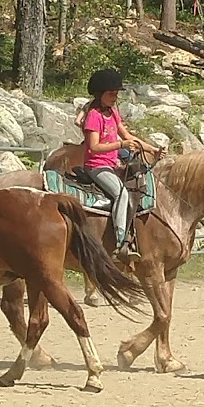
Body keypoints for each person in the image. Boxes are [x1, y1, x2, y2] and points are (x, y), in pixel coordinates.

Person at [80, 69, 164, 262]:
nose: (114, 97)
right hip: (96, 166)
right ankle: (119, 242)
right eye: (111, 94)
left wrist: (153, 150)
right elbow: (93, 147)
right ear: (100, 94)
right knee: (121, 193)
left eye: (116, 94)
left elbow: (128, 136)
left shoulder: (113, 113)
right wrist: (120, 145)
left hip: (111, 165)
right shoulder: (94, 116)